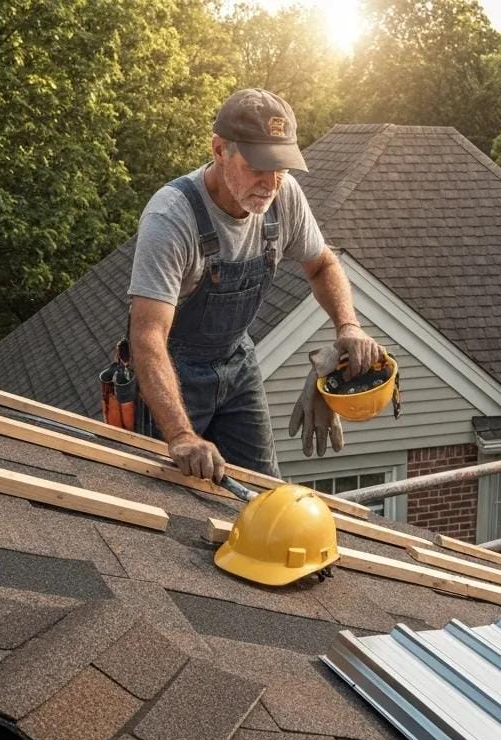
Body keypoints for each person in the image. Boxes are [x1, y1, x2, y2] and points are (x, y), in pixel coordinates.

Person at [127, 88, 384, 482]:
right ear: (218, 150)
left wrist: (347, 326)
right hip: (173, 371)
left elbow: (323, 265)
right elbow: (147, 335)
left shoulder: (285, 200)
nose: (270, 183)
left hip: (237, 365)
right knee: (170, 494)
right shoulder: (172, 217)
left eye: (279, 168)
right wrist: (180, 435)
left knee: (264, 494)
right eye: (257, 167)